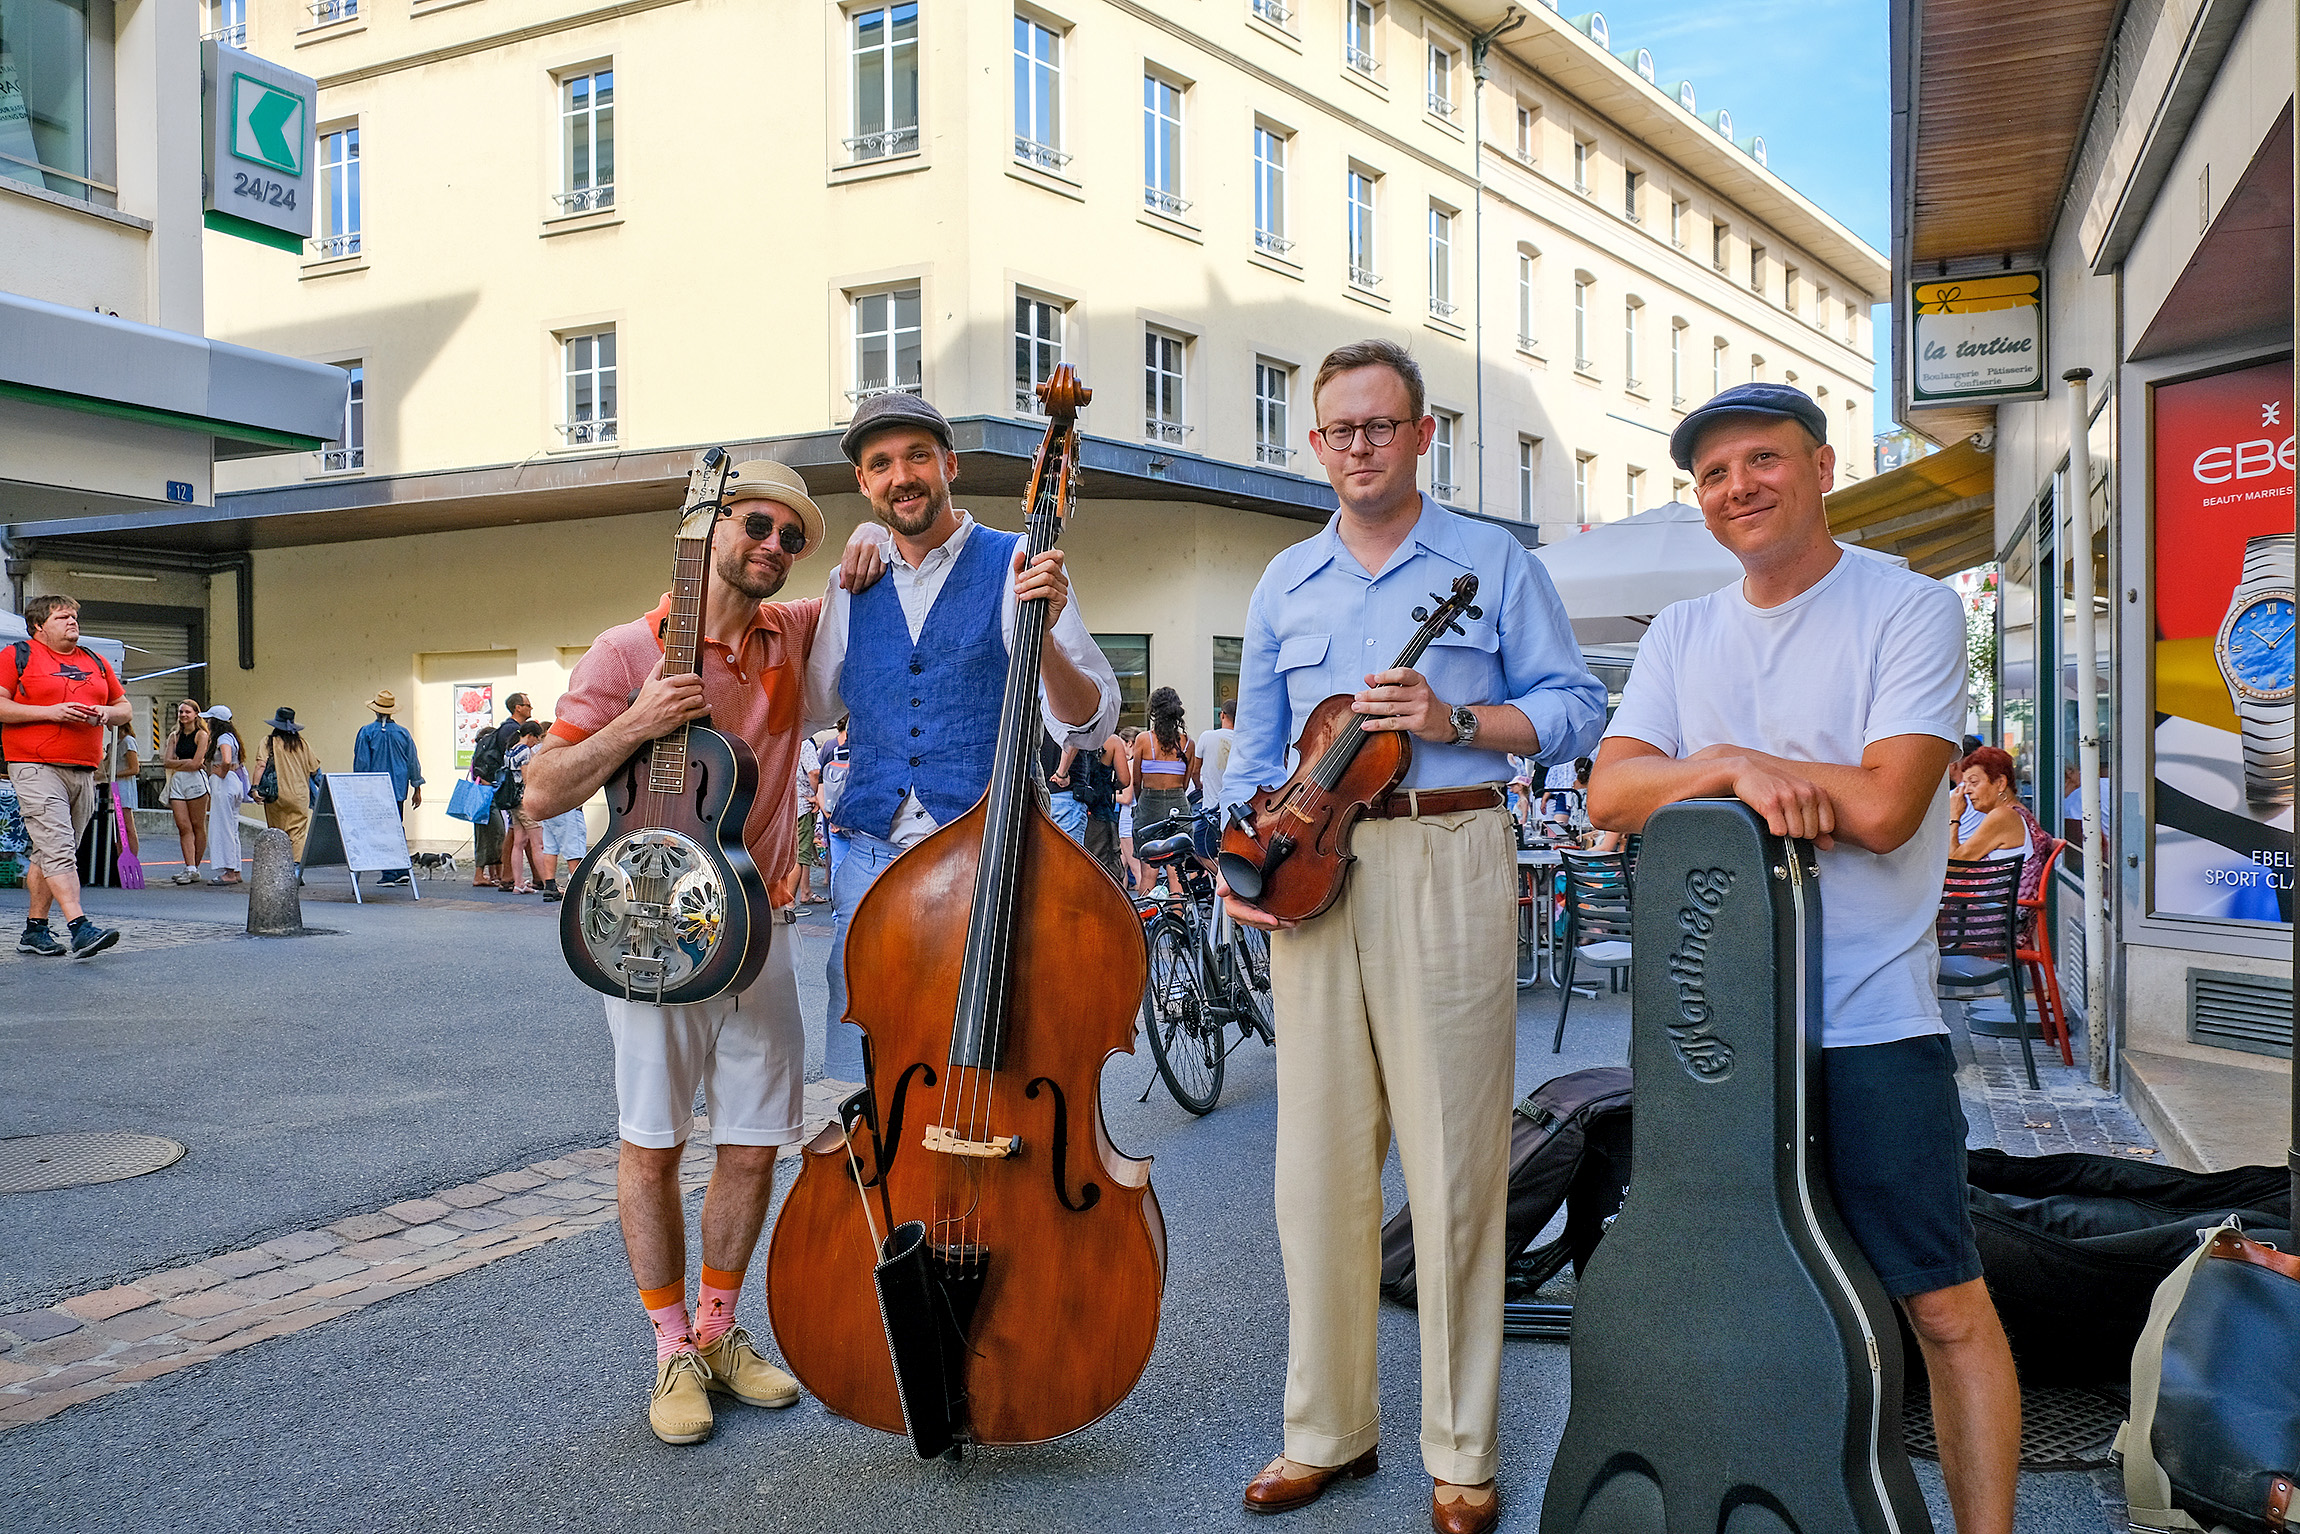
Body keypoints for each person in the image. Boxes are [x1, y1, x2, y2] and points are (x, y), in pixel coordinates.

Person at [1587, 381, 2020, 1534]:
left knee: (1939, 1306)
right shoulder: (1683, 630)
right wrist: (1728, 762)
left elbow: (1885, 806)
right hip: (1717, 1039)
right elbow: (1608, 790)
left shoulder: (1908, 607)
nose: (1738, 487)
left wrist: (1736, 772)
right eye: (1714, 474)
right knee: (1732, 1296)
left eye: (1761, 460)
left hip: (1871, 1023)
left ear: (1820, 467)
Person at [1220, 340, 1605, 1534]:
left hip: (1446, 847)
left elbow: (1575, 707)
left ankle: (1460, 1449)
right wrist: (1241, 856)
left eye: (1379, 426)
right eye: (1337, 430)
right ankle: (1322, 1431)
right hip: (1309, 870)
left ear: (1421, 433)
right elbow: (1252, 751)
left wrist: (1459, 717)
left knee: (1452, 1165)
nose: (1357, 447)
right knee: (1316, 1172)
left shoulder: (1491, 559)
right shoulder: (1284, 579)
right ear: (1315, 444)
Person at [524, 458, 845, 1448]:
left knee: (752, 1144)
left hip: (764, 926)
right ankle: (667, 1345)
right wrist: (636, 721)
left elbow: (867, 583)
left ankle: (715, 1329)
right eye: (759, 526)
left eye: (792, 538)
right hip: (655, 932)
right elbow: (540, 790)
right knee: (653, 1140)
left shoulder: (788, 635)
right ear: (705, 528)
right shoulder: (629, 649)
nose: (777, 549)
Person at [804, 392, 1121, 1093]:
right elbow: (805, 706)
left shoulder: (1019, 563)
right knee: (875, 1070)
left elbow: (1090, 721)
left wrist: (1046, 641)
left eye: (917, 456)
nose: (901, 476)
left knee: (1003, 1057)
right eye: (880, 464)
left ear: (949, 463)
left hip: (991, 851)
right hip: (872, 859)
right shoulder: (849, 583)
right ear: (863, 483)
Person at [0, 595, 128, 957]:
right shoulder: (16, 656)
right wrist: (51, 712)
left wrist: (105, 711)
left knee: (53, 851)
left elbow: (124, 707)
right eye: (61, 617)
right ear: (39, 625)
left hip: (84, 769)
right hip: (34, 765)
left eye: (73, 616)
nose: (72, 621)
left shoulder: (94, 660)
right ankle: (80, 927)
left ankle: (34, 930)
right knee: (58, 847)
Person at [353, 689, 424, 885]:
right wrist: (417, 788)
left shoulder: (366, 732)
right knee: (395, 827)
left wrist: (360, 790)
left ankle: (389, 873)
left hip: (374, 791)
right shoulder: (403, 733)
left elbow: (362, 764)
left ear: (375, 710)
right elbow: (413, 762)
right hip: (398, 789)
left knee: (380, 829)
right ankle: (401, 868)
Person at [1050, 730, 1129, 883]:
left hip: (1077, 800)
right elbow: (1125, 780)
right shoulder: (1112, 741)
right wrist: (1110, 785)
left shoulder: (1066, 735)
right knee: (1105, 869)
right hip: (1101, 811)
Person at [253, 707, 323, 871]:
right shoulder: (302, 743)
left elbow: (261, 764)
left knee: (277, 832)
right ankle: (296, 871)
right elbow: (315, 770)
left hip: (275, 795)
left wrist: (255, 788)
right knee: (297, 834)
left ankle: (279, 871)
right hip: (299, 795)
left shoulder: (268, 741)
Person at [1129, 687, 1199, 837]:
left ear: (1154, 711)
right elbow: (1185, 784)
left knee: (1146, 849)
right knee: (1179, 850)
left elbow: (1136, 781)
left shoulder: (1143, 739)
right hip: (1178, 802)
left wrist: (1140, 801)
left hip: (1149, 802)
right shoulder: (1188, 744)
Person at [162, 699, 211, 885]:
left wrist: (182, 763)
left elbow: (197, 763)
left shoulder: (201, 735)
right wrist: (186, 763)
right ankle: (190, 866)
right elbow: (167, 761)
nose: (183, 715)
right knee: (183, 825)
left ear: (195, 714)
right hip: (178, 780)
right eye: (181, 712)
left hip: (196, 782)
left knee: (198, 824)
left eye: (187, 712)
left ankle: (194, 867)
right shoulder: (174, 736)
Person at [202, 706, 246, 885]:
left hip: (224, 783)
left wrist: (221, 771)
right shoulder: (232, 737)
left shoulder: (222, 738)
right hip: (233, 783)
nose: (207, 722)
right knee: (232, 827)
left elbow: (226, 759)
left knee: (223, 827)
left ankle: (228, 871)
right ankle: (235, 870)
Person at [503, 721, 546, 893]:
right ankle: (548, 882)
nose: (535, 743)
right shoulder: (524, 752)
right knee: (538, 844)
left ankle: (518, 883)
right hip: (524, 801)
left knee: (518, 843)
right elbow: (526, 777)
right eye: (536, 739)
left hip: (511, 802)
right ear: (530, 736)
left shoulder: (509, 751)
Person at [1192, 699, 1238, 860]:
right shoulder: (1242, 740)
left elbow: (1195, 770)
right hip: (1237, 810)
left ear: (1222, 715)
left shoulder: (1207, 736)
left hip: (1211, 808)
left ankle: (1224, 879)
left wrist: (1199, 786)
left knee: (1200, 851)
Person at [110, 719, 141, 861]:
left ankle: (131, 858)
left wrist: (113, 774)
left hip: (123, 787)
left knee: (126, 825)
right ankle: (120, 856)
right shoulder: (113, 743)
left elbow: (134, 768)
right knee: (117, 827)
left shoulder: (128, 741)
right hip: (113, 786)